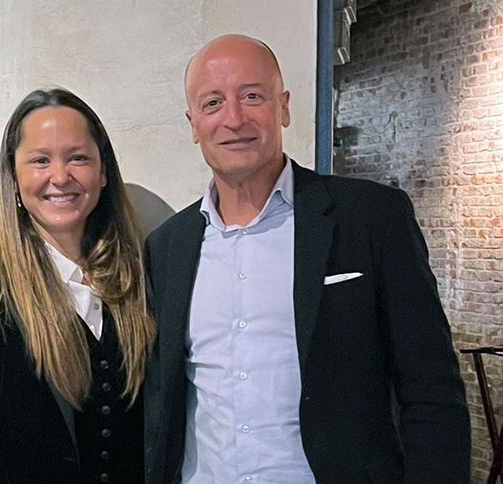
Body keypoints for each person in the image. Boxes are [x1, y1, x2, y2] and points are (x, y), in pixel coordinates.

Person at [144, 34, 470, 484]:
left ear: (284, 107)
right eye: (213, 103)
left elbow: (432, 391)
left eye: (252, 96)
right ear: (193, 123)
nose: (233, 118)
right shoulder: (167, 247)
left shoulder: (372, 218)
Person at [0, 87, 155, 484]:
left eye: (78, 158)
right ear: (14, 177)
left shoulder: (142, 280)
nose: (60, 176)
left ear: (103, 173)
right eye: (40, 160)